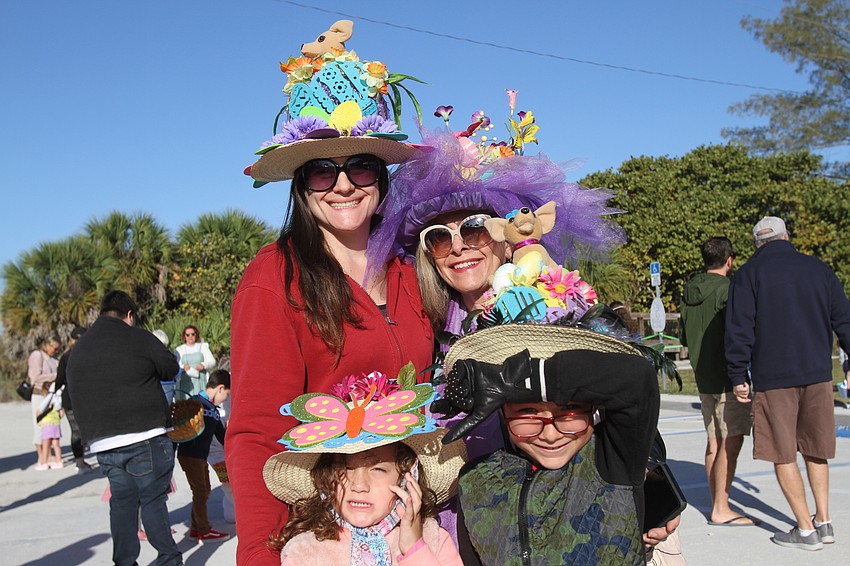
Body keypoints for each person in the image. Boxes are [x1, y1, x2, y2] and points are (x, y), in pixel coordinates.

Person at [227, 26, 433, 564]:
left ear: (382, 178)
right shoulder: (273, 279)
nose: (343, 185)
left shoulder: (413, 272)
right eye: (322, 169)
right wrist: (259, 554)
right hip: (322, 538)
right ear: (300, 185)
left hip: (415, 530)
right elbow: (254, 434)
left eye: (360, 165)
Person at [433, 324, 661, 565]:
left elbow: (638, 379)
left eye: (570, 411)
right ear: (500, 411)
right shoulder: (475, 480)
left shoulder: (612, 460)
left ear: (594, 408)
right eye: (528, 413)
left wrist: (524, 380)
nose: (551, 435)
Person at [726, 216, 850, 551]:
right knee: (816, 448)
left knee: (783, 453)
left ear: (757, 244)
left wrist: (738, 375)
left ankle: (805, 530)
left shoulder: (748, 275)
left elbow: (739, 328)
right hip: (818, 374)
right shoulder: (819, 270)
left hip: (774, 377)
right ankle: (824, 522)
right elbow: (843, 318)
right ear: (787, 236)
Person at [262, 377, 467, 565]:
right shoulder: (305, 553)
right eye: (345, 469)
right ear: (325, 478)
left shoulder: (433, 539)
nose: (359, 485)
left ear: (408, 478)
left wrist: (414, 550)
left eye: (378, 469)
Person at [67, 290, 182, 566]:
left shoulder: (80, 348)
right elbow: (170, 368)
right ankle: (168, 559)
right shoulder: (139, 337)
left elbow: (72, 394)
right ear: (129, 315)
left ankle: (125, 562)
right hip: (147, 436)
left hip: (104, 443)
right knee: (153, 499)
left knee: (122, 502)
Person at [679, 237, 754, 526]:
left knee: (713, 442)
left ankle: (716, 503)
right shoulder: (729, 290)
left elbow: (686, 337)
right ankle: (721, 508)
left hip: (702, 375)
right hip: (727, 377)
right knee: (730, 444)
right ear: (729, 260)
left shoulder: (689, 291)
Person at [176, 369, 231, 542]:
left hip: (200, 457)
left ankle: (195, 528)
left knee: (203, 490)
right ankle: (203, 529)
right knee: (201, 491)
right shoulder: (193, 402)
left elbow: (222, 437)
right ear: (220, 388)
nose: (226, 400)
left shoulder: (214, 411)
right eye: (227, 395)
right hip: (189, 454)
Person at [53, 325, 92, 473]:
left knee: (78, 431)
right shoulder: (87, 355)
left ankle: (80, 461)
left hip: (73, 398)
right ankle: (79, 463)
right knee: (79, 431)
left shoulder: (66, 356)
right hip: (79, 398)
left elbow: (59, 380)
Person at [28, 336, 59, 468]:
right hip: (39, 394)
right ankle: (41, 456)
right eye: (54, 348)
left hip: (50, 395)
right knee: (39, 425)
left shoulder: (53, 359)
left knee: (50, 424)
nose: (55, 351)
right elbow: (35, 377)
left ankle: (49, 454)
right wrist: (54, 376)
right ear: (47, 345)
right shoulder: (37, 355)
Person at [175, 325, 216, 397]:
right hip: (186, 384)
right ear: (184, 336)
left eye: (193, 334)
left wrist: (204, 365)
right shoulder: (179, 349)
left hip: (201, 382)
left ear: (196, 335)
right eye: (187, 335)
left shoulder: (203, 347)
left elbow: (212, 362)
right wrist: (183, 367)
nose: (190, 337)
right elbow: (176, 365)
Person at [35, 384, 64, 470]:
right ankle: (59, 461)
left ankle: (44, 462)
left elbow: (39, 411)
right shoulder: (57, 399)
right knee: (56, 444)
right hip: (56, 423)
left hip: (47, 424)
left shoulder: (48, 399)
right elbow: (61, 414)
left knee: (45, 444)